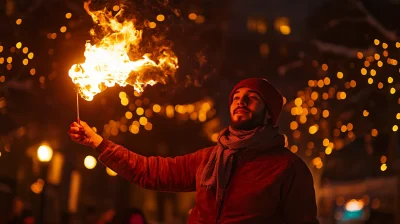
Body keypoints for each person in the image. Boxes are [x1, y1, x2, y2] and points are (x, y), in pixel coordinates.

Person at [69, 78, 319, 223]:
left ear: (269, 113)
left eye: (252, 97)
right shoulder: (209, 158)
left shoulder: (288, 168)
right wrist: (98, 143)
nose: (240, 101)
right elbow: (149, 171)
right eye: (235, 97)